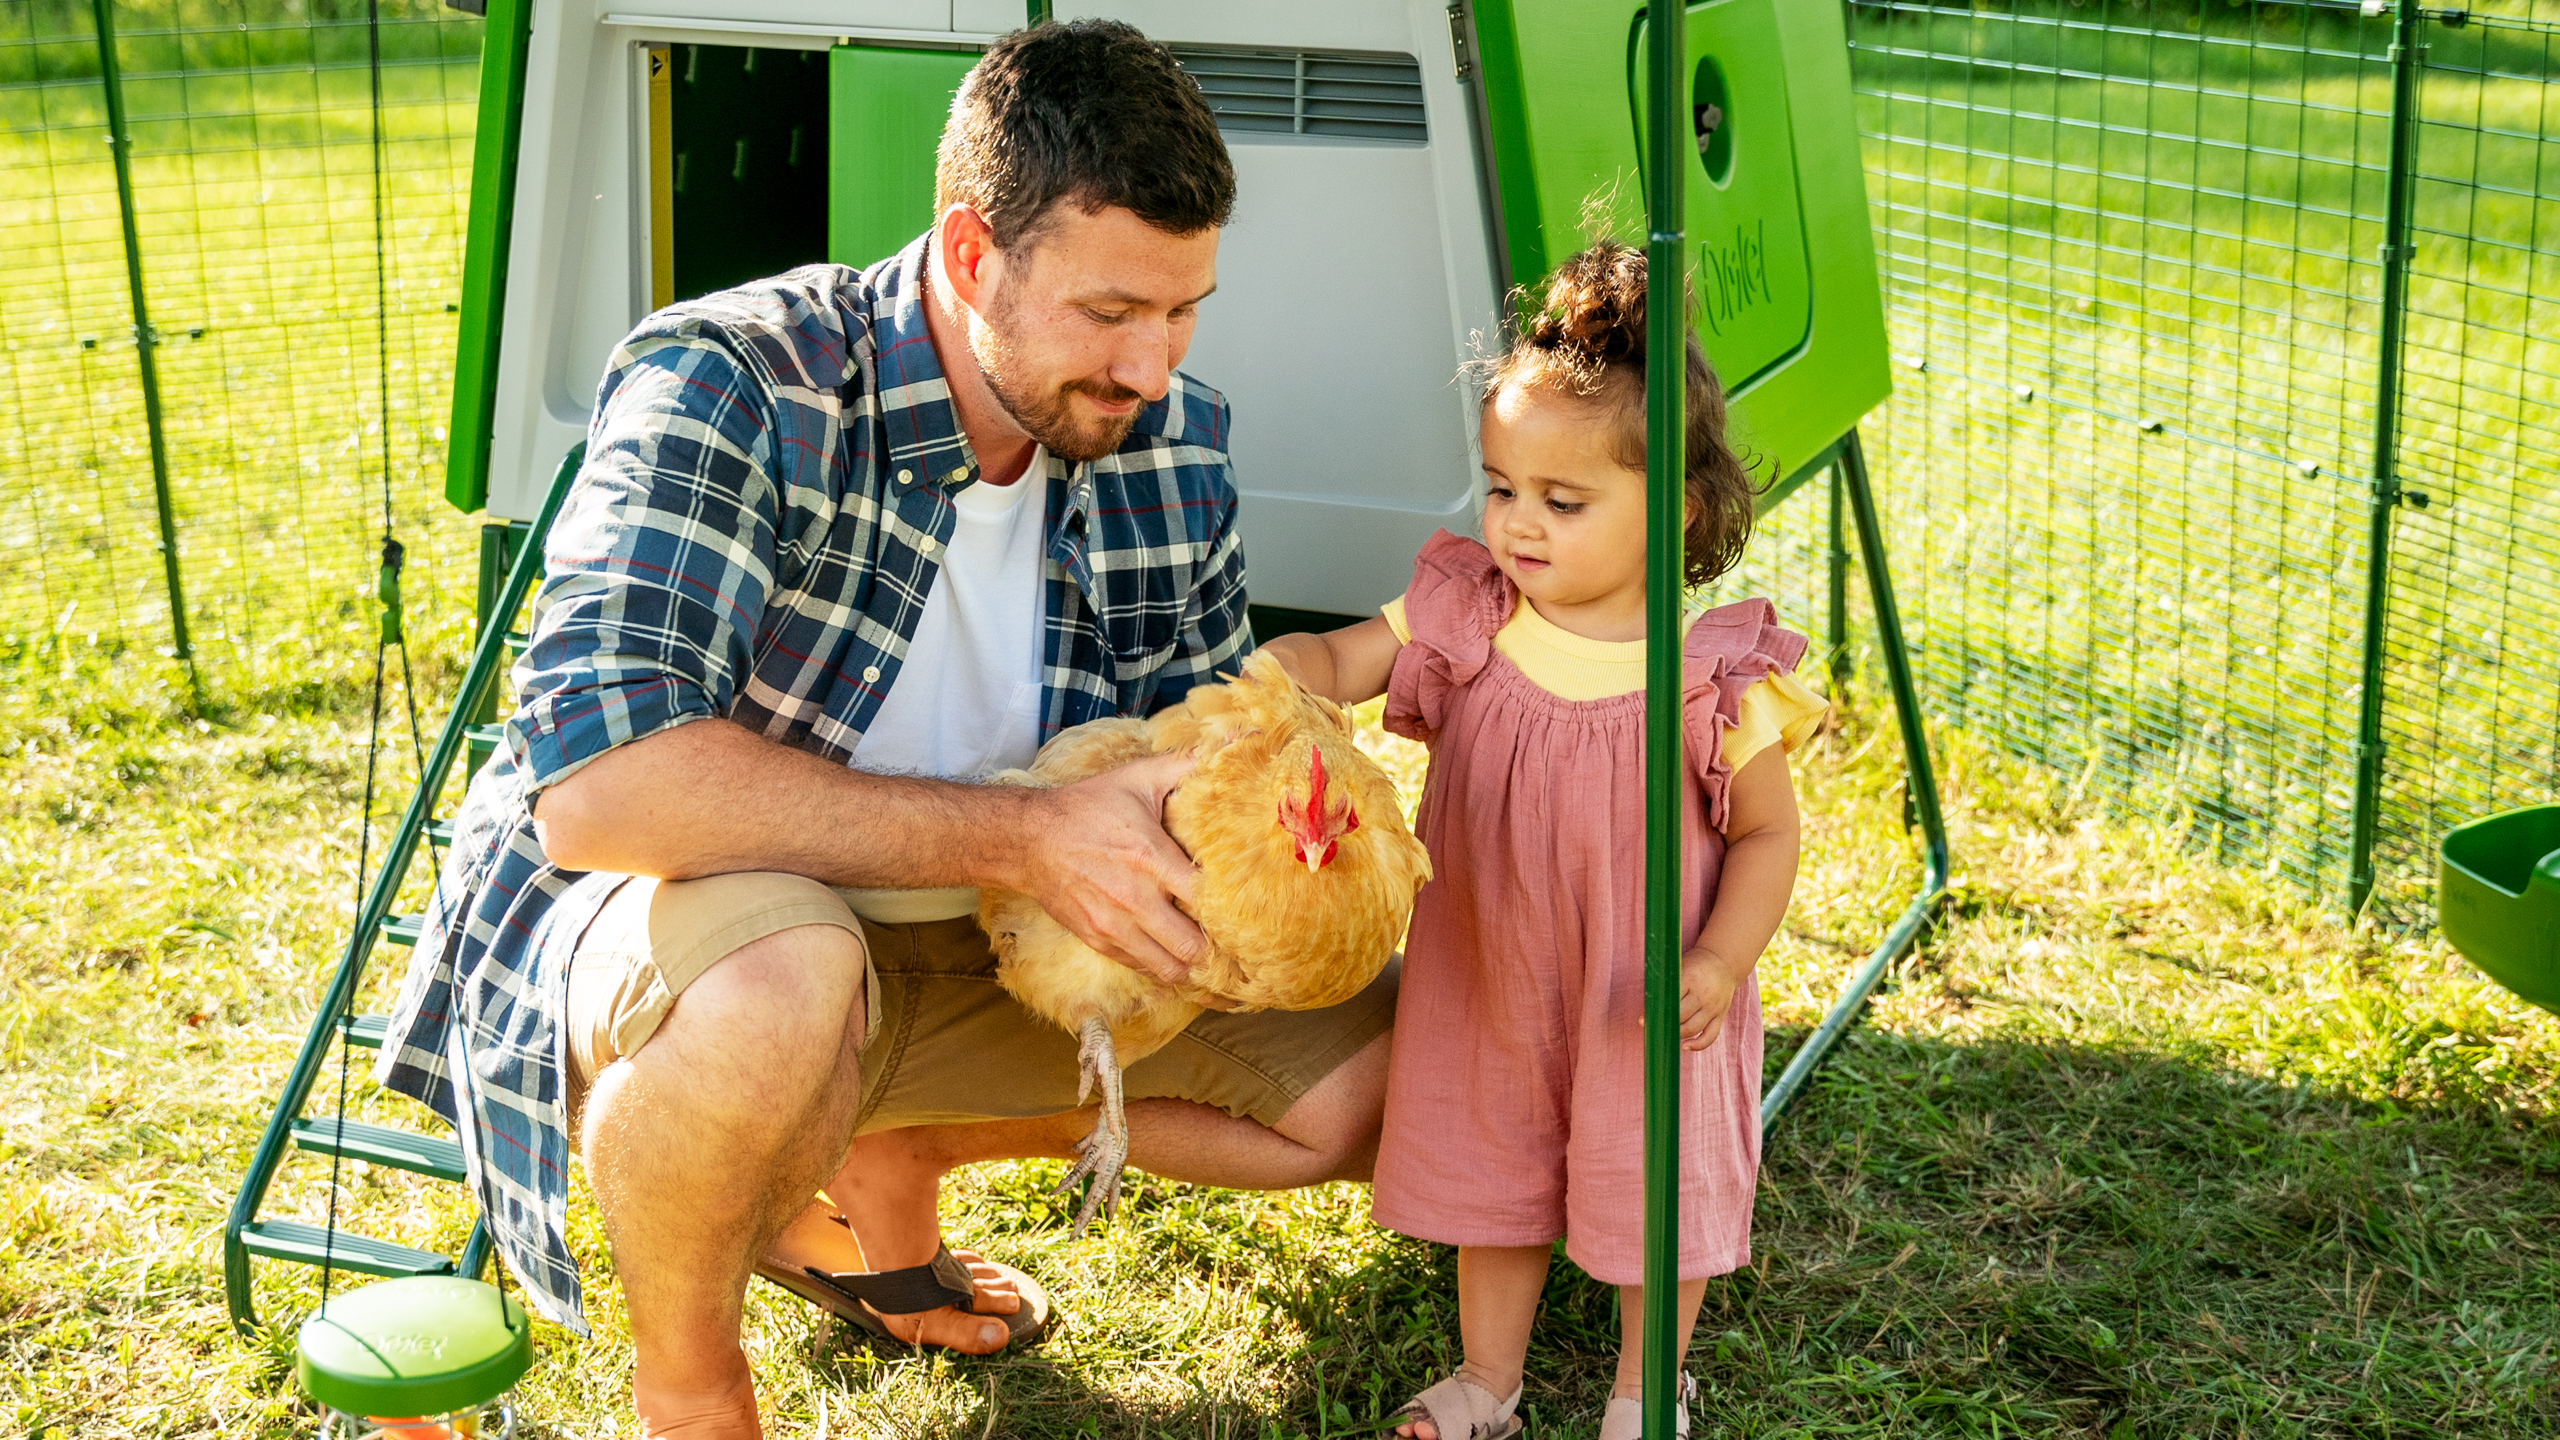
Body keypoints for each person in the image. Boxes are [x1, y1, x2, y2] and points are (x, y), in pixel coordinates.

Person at [375, 21, 1396, 1438]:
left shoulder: (1173, 438)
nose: (1153, 369)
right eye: (1110, 315)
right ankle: (690, 1378)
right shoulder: (731, 382)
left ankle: (885, 1142)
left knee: (1376, 1095)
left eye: (1185, 313)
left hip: (1000, 935)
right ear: (972, 255)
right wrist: (1030, 834)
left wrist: (1263, 863)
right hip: (729, 929)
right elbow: (599, 793)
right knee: (783, 985)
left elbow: (1197, 749)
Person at [1261, 241, 1826, 1440]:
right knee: (1491, 1168)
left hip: (1648, 985)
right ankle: (1486, 1381)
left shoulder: (1708, 675)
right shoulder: (1470, 613)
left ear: (1669, 507)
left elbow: (1769, 836)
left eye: (1561, 503)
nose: (1517, 523)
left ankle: (1643, 1394)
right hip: (1489, 964)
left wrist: (1720, 962)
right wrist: (1281, 676)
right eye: (1500, 486)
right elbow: (1346, 658)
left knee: (1651, 1177)